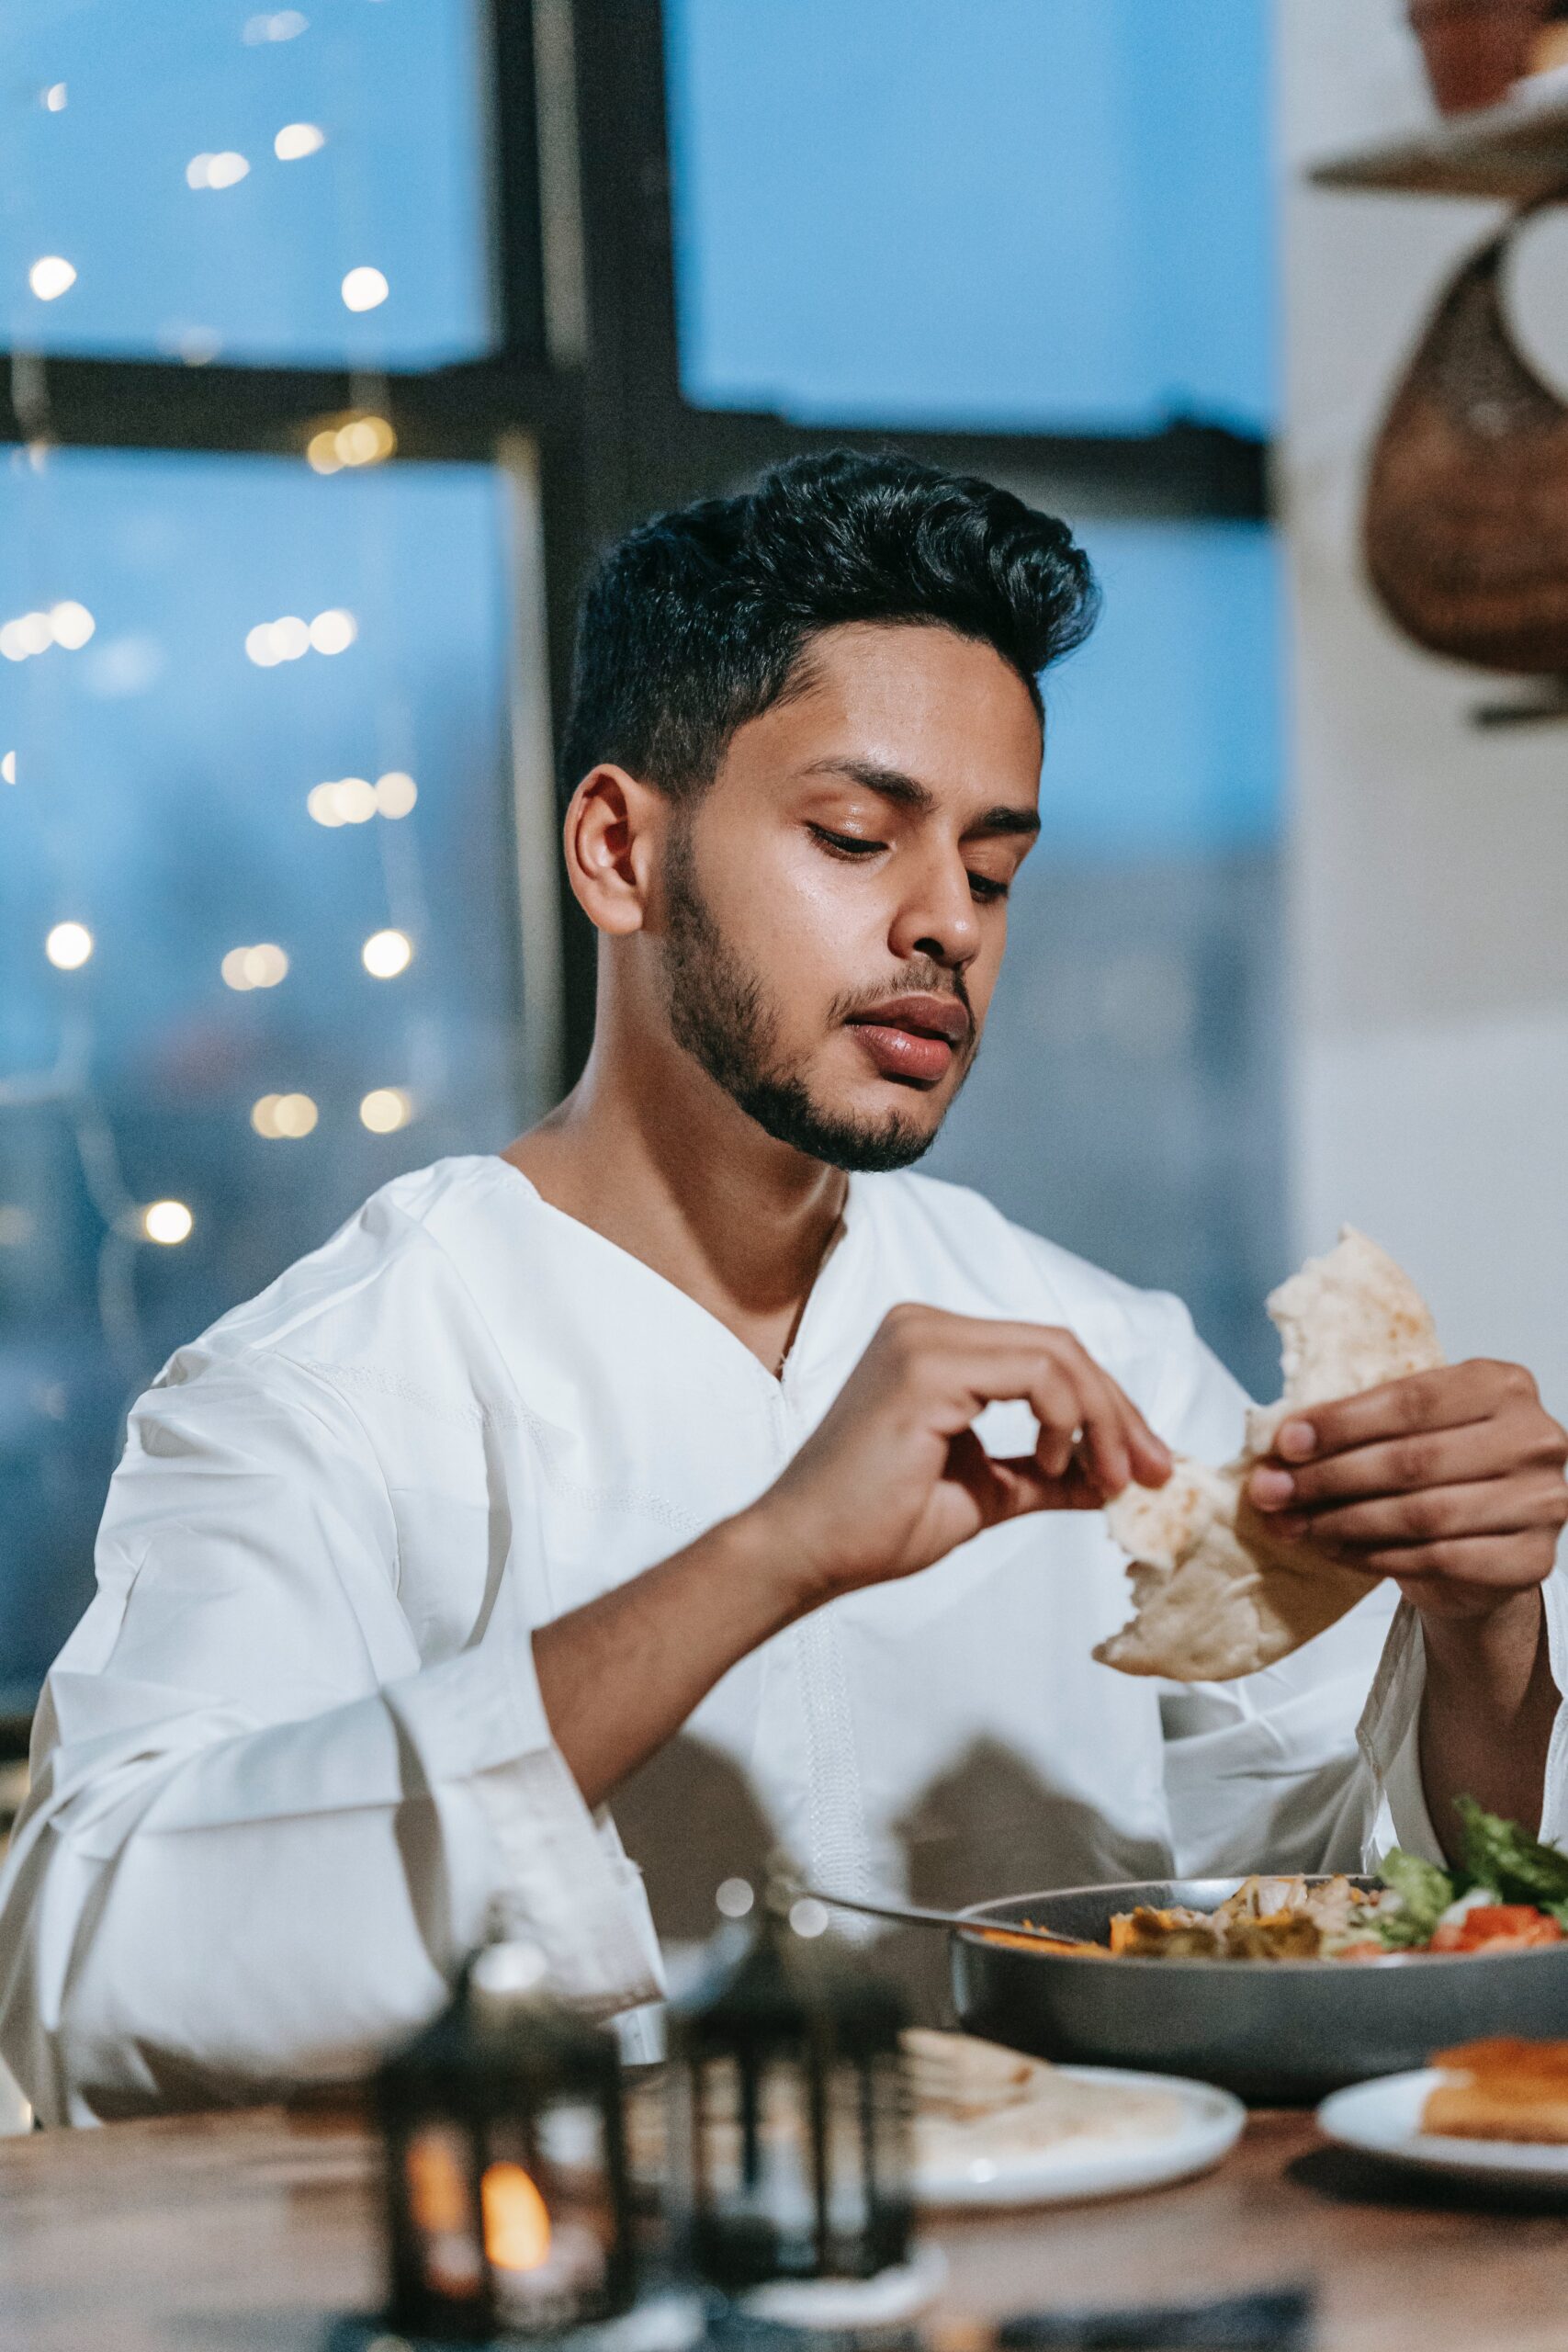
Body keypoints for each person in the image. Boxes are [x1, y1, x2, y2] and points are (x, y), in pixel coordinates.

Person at [2, 453, 1564, 2124]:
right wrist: (768, 1555)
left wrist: (1480, 1637)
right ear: (619, 851)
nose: (946, 924)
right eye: (852, 835)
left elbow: (1364, 1921)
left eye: (993, 868)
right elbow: (93, 1973)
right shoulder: (333, 1381)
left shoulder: (1116, 1360)